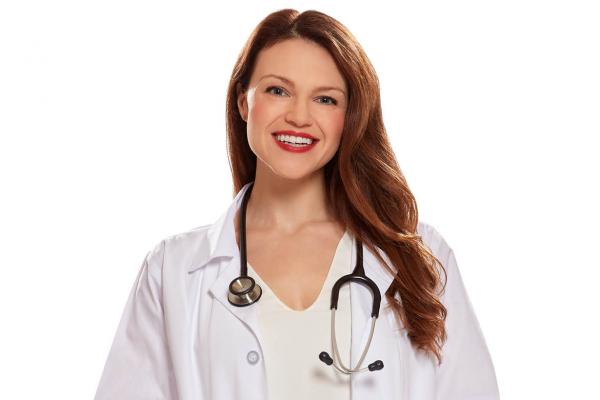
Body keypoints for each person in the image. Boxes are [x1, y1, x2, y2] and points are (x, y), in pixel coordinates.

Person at [93, 8, 500, 400]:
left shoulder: (420, 259)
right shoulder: (173, 270)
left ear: (350, 116)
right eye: (278, 90)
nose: (300, 117)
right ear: (243, 102)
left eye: (326, 99)